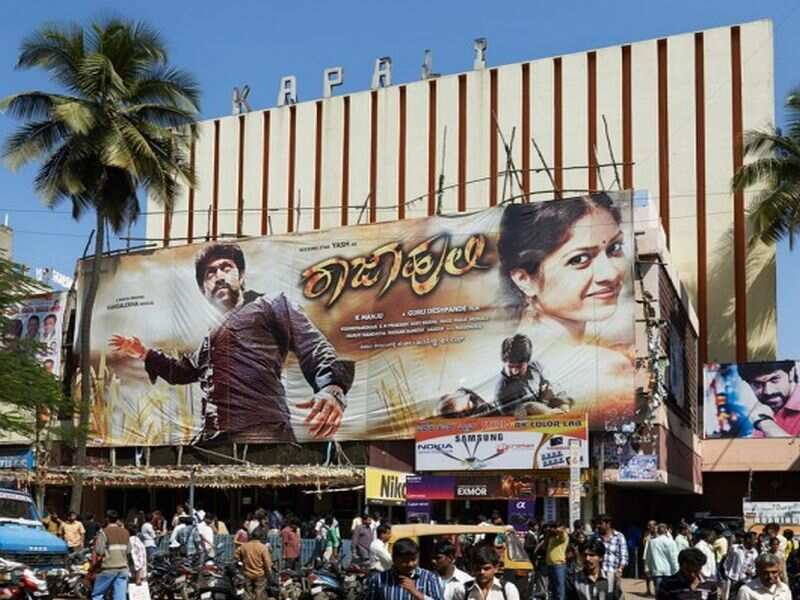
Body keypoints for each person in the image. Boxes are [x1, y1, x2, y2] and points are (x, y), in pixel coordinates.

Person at [109, 242, 355, 442]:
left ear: (242, 275)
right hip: (214, 437)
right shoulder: (209, 337)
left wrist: (332, 388)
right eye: (210, 273)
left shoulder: (270, 304)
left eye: (226, 267)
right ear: (204, 289)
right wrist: (144, 353)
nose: (218, 276)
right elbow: (183, 371)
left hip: (261, 432)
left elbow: (313, 347)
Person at [497, 194, 634, 424]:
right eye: (579, 259)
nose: (610, 274)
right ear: (524, 279)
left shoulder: (507, 358)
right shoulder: (607, 367)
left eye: (614, 248)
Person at [493, 334, 571, 416]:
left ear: (527, 362)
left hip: (555, 410)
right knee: (530, 406)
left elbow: (558, 390)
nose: (515, 371)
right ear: (504, 362)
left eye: (519, 367)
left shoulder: (536, 367)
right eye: (510, 366)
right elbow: (521, 418)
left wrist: (562, 404)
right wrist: (544, 401)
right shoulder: (501, 392)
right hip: (535, 420)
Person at [366, 537, 444, 600]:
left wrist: (416, 593)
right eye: (405, 561)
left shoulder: (429, 578)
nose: (410, 564)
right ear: (394, 559)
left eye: (413, 559)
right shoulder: (379, 579)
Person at [737, 362, 800, 436]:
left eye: (774, 379)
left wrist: (766, 424)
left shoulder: (763, 421)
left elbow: (792, 444)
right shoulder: (762, 415)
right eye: (757, 384)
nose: (768, 391)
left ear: (791, 373)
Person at [91, 510, 131, 600]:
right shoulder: (126, 532)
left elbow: (99, 551)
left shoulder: (104, 532)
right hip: (123, 568)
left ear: (107, 519)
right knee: (120, 597)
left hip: (108, 568)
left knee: (97, 595)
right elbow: (128, 551)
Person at [235, 531, 273, 600]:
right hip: (260, 574)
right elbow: (267, 563)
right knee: (259, 593)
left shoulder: (244, 546)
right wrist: (269, 573)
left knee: (248, 593)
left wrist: (242, 561)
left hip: (247, 573)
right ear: (260, 537)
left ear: (251, 537)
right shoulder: (263, 547)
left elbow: (236, 556)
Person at [723, 531, 759, 600]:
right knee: (731, 597)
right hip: (733, 579)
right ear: (748, 539)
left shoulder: (755, 552)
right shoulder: (735, 548)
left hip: (746, 581)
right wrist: (727, 574)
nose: (756, 541)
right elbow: (727, 561)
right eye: (754, 539)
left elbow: (755, 567)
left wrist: (752, 572)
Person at [645, 524, 679, 593]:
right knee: (668, 593)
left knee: (659, 594)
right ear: (666, 531)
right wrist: (676, 571)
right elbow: (674, 558)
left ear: (657, 531)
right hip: (669, 572)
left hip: (657, 571)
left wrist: (648, 569)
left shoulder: (652, 542)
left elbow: (648, 557)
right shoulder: (671, 542)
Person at [546, 523, 570, 600]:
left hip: (558, 565)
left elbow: (561, 532)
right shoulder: (552, 537)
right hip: (550, 565)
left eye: (555, 527)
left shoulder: (563, 535)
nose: (552, 529)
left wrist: (554, 529)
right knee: (553, 589)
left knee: (559, 588)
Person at [127, 522, 150, 599]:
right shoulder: (138, 541)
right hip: (141, 574)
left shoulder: (131, 542)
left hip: (135, 576)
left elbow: (136, 561)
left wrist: (138, 578)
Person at [643, 521, 657, 596]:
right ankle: (648, 590)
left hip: (655, 557)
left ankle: (656, 590)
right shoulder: (647, 533)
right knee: (647, 573)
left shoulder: (657, 534)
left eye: (650, 525)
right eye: (648, 525)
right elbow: (644, 543)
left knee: (655, 574)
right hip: (646, 556)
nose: (648, 527)